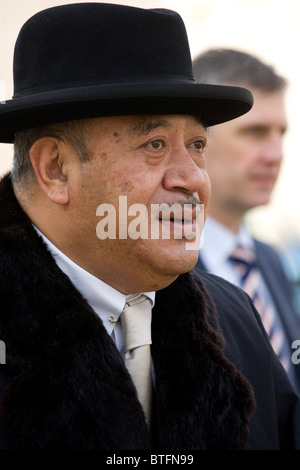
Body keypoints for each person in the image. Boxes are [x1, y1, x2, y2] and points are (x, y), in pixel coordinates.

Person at [0, 3, 299, 451]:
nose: (195, 178)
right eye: (154, 144)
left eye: (197, 144)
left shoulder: (232, 316)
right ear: (56, 169)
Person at [193, 48, 300, 397]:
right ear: (197, 139)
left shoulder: (269, 259)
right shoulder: (155, 271)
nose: (275, 154)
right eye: (254, 132)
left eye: (280, 133)